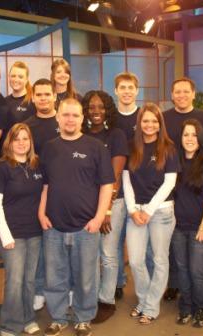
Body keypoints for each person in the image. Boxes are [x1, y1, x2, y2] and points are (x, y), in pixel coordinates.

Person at [39, 98, 114, 336]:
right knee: (55, 277)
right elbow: (45, 185)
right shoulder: (49, 148)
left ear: (82, 118)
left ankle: (83, 318)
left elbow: (106, 185)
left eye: (75, 115)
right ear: (58, 118)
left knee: (86, 277)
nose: (70, 119)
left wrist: (99, 217)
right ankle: (58, 318)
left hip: (86, 227)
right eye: (66, 115)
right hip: (54, 226)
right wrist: (42, 213)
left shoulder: (96, 147)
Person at [122, 103, 179, 324]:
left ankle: (151, 306)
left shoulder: (168, 148)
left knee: (159, 259)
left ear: (160, 124)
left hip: (161, 212)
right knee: (135, 260)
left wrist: (148, 210)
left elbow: (169, 183)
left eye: (154, 121)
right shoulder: (131, 147)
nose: (150, 125)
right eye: (145, 120)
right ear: (139, 123)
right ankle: (145, 300)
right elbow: (126, 181)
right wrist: (132, 209)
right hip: (135, 212)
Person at [0, 123, 43, 336]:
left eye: (25, 138)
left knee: (30, 279)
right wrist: (5, 236)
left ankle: (28, 318)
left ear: (31, 142)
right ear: (9, 142)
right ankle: (10, 324)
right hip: (12, 234)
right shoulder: (1, 167)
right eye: (16, 139)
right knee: (15, 280)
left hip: (35, 232)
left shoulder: (37, 165)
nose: (21, 143)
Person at [82, 90, 128, 323]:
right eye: (91, 107)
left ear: (107, 109)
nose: (96, 111)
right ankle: (91, 299)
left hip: (112, 204)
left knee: (108, 255)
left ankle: (107, 301)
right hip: (87, 204)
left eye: (100, 107)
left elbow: (116, 175)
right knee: (90, 255)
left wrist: (107, 210)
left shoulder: (116, 135)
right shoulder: (83, 135)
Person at [162, 77, 203, 301]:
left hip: (199, 185)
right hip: (173, 185)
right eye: (177, 92)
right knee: (174, 244)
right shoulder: (165, 118)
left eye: (185, 92)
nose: (181, 95)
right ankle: (174, 284)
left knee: (202, 245)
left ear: (193, 93)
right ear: (172, 95)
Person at [172, 119, 203, 328]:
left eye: (193, 135)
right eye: (185, 135)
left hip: (199, 228)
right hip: (177, 227)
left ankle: (201, 308)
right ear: (180, 138)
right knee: (181, 269)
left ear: (200, 138)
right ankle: (186, 307)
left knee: (197, 272)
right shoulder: (175, 161)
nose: (189, 139)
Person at [24, 78, 60, 311]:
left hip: (64, 192)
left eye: (48, 94)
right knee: (39, 246)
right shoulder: (27, 125)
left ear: (55, 96)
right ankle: (38, 290)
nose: (44, 98)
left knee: (60, 246)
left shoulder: (64, 121)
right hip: (37, 191)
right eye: (39, 94)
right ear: (33, 97)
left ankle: (63, 289)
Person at [113, 72, 141, 299]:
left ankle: (148, 286)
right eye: (122, 87)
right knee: (114, 238)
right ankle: (118, 282)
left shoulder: (145, 116)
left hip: (141, 186)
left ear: (137, 91)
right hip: (115, 185)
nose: (127, 91)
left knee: (140, 242)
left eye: (130, 87)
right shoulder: (110, 117)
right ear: (116, 91)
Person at [5, 61, 36, 128]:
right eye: (13, 76)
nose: (16, 79)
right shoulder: (4, 101)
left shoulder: (33, 101)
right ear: (9, 77)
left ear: (26, 79)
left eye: (20, 77)